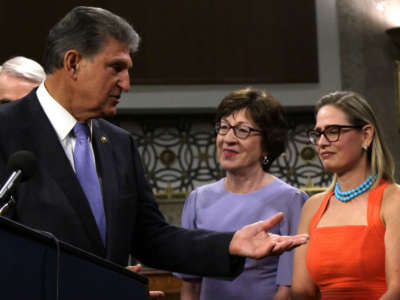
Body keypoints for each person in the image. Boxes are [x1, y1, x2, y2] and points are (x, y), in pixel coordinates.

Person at [0, 6, 308, 282]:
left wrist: (230, 243)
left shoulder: (118, 145)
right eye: (116, 67)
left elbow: (151, 238)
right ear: (73, 63)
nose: (126, 83)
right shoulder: (7, 130)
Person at [175, 88, 308, 300]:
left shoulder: (291, 200)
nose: (228, 138)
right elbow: (190, 287)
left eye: (242, 130)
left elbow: (287, 290)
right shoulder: (198, 199)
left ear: (267, 144)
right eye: (224, 128)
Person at [291, 91, 400, 299]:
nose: (322, 142)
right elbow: (301, 292)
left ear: (366, 135)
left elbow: (397, 290)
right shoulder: (312, 207)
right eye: (318, 133)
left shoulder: (394, 200)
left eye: (333, 131)